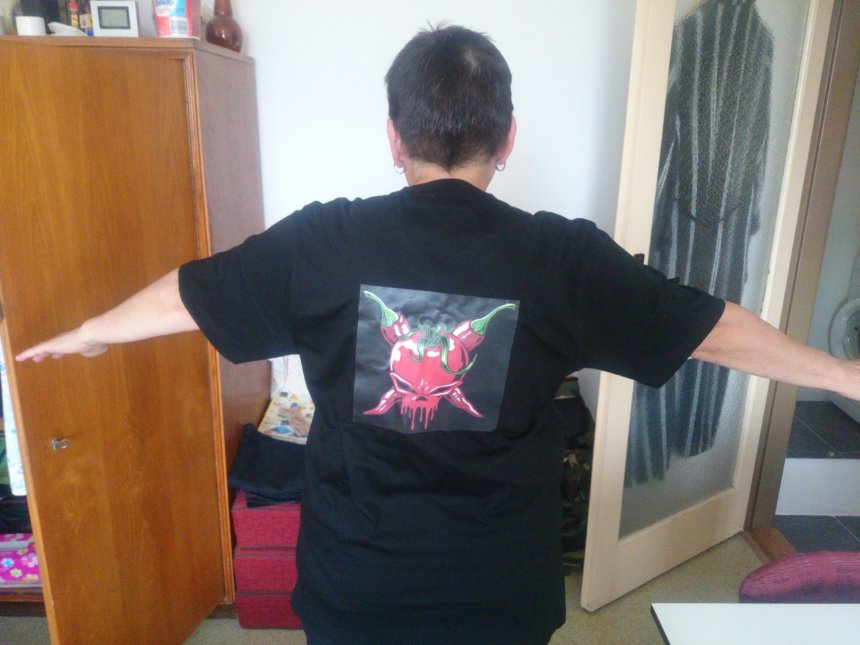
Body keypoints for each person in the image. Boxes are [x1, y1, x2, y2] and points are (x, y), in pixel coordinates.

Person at [16, 25, 860, 645]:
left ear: (394, 139)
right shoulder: (562, 258)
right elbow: (712, 328)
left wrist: (93, 331)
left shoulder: (323, 241)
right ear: (508, 138)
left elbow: (191, 294)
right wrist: (840, 374)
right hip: (500, 592)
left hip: (356, 586)